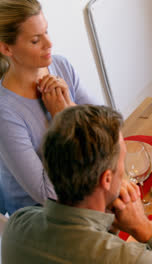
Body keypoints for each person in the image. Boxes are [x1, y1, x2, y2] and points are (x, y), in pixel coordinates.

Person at [1, 105, 152, 264]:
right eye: (122, 162)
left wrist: (110, 225)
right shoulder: (133, 259)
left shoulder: (17, 224)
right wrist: (144, 228)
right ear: (106, 179)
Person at [0, 0, 95, 214]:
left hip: (82, 182)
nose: (49, 43)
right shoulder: (5, 113)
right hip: (42, 217)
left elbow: (109, 127)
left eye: (46, 32)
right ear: (6, 48)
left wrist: (69, 108)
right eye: (35, 40)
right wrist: (64, 123)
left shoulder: (60, 65)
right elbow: (49, 196)